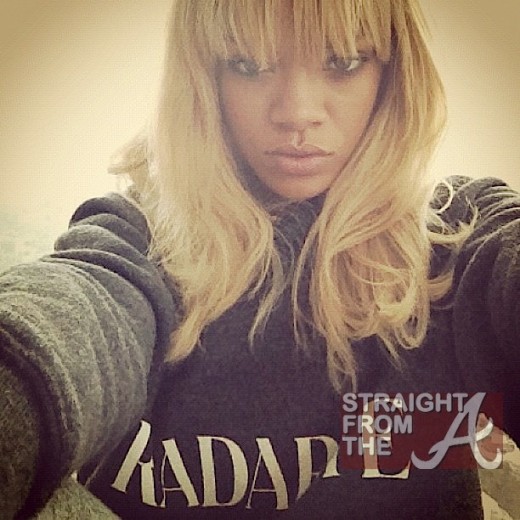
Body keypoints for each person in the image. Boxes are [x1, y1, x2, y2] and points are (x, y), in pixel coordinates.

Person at [0, 0, 519, 518]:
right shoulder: (136, 241)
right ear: (202, 78)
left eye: (342, 61)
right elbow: (70, 310)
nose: (296, 113)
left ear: (394, 74)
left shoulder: (456, 238)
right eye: (248, 65)